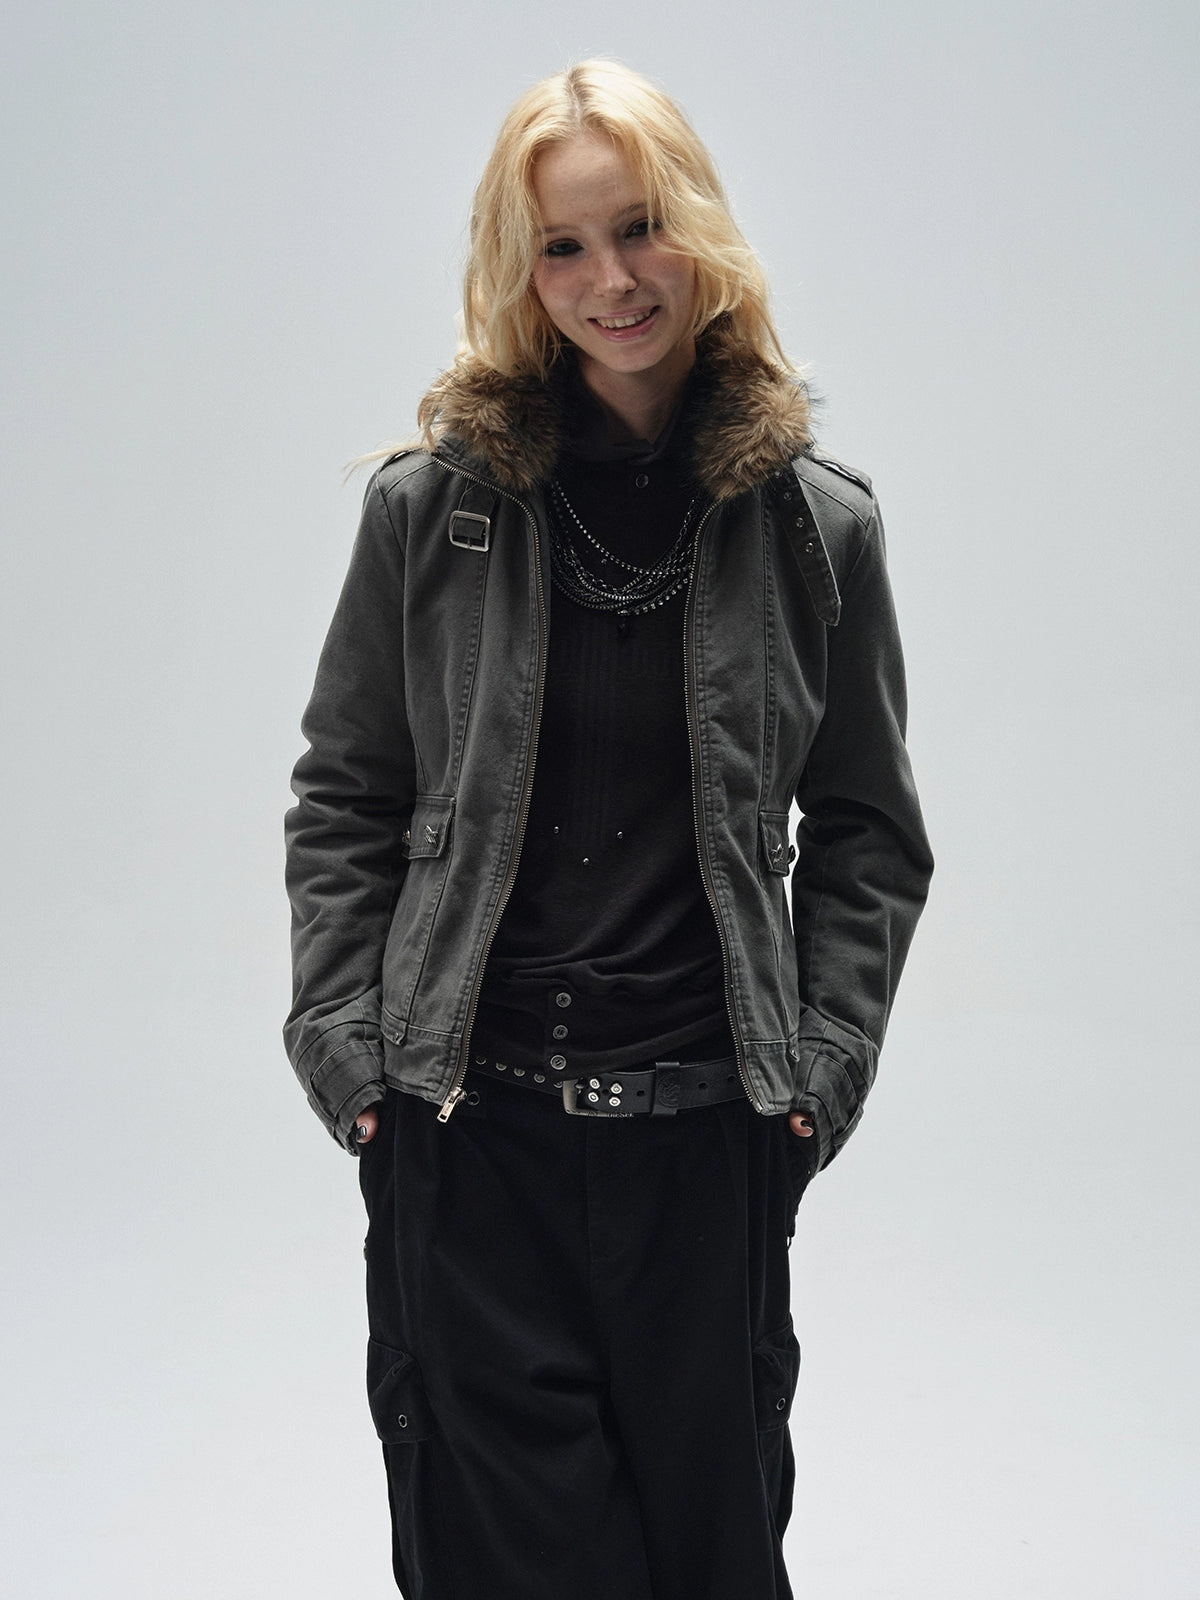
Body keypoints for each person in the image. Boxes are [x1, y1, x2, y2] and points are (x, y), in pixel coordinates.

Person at [284, 59, 932, 1600]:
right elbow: (349, 795)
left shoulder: (817, 527)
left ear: (697, 229)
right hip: (469, 1141)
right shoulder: (429, 513)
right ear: (520, 273)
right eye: (562, 247)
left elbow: (867, 828)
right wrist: (349, 1056)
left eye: (638, 227)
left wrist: (820, 1072)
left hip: (705, 1144)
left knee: (709, 1560)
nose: (611, 281)